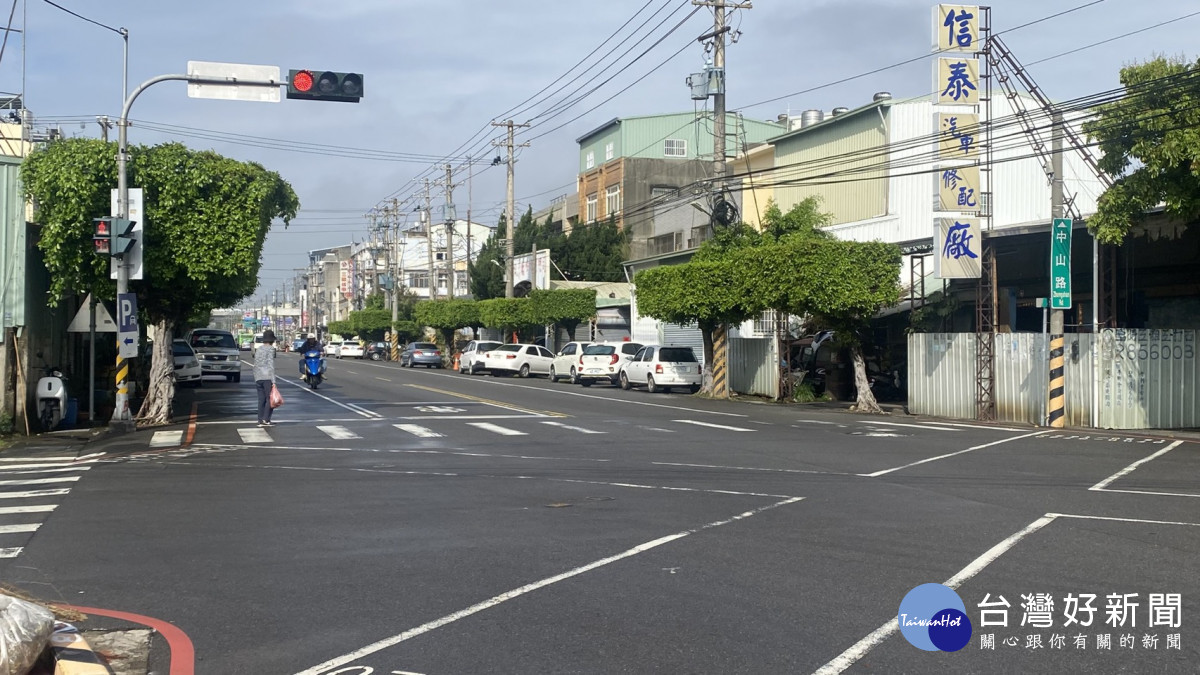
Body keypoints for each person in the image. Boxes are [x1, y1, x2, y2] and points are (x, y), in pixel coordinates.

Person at [254, 329, 278, 427]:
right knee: (270, 399)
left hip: (258, 377)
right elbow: (270, 365)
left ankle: (260, 419)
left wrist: (256, 376)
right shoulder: (271, 349)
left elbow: (255, 364)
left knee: (261, 399)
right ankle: (266, 419)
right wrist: (273, 381)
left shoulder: (259, 349)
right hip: (267, 376)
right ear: (272, 340)